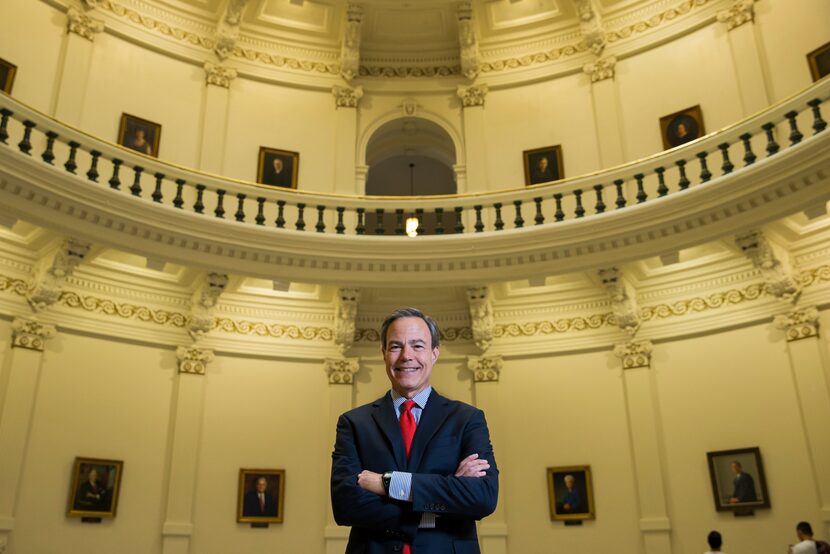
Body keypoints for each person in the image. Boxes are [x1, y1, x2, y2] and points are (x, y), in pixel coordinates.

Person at [331, 307, 498, 553]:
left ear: (434, 354)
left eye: (418, 346)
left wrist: (387, 483)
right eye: (396, 346)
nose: (406, 356)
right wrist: (438, 505)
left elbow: (482, 497)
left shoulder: (467, 419)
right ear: (384, 353)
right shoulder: (354, 423)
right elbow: (345, 505)